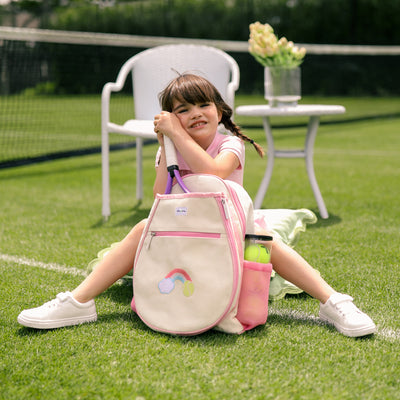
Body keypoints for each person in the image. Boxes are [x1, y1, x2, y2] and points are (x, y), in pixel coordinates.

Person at [17, 73, 376, 338]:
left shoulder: (229, 144)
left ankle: (333, 302)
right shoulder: (169, 147)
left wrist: (175, 134)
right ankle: (78, 303)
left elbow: (215, 174)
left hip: (231, 233)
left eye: (204, 105)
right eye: (182, 110)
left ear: (219, 111)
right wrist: (166, 146)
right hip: (186, 233)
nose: (195, 114)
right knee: (142, 228)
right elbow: (161, 201)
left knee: (264, 239)